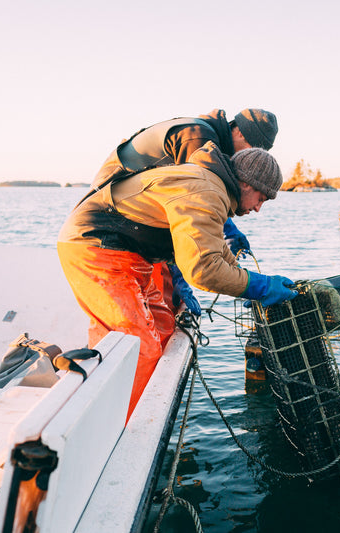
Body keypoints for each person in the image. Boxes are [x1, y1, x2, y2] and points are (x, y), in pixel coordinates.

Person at [57, 143, 297, 418]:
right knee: (137, 349)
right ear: (247, 183)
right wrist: (260, 287)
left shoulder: (212, 186)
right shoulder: (207, 191)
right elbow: (203, 269)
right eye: (262, 198)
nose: (258, 208)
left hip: (133, 254)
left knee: (164, 326)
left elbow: (215, 252)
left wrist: (256, 280)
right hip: (96, 247)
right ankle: (122, 429)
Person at [85, 108, 278, 315]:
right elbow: (191, 202)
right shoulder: (198, 138)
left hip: (135, 219)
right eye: (250, 148)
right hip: (109, 212)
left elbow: (197, 206)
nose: (248, 157)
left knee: (159, 298)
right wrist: (181, 278)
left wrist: (228, 238)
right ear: (239, 132)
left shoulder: (212, 148)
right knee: (167, 287)